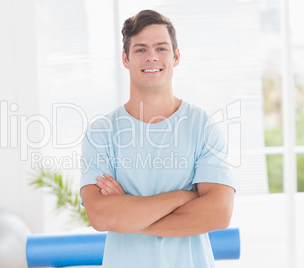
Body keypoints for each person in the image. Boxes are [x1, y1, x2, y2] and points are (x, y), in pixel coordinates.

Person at [79, 10, 236, 268]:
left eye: (161, 48)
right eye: (140, 49)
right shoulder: (101, 132)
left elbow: (218, 213)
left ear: (176, 56)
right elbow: (101, 216)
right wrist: (185, 197)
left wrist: (128, 216)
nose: (151, 56)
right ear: (125, 59)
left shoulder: (202, 126)